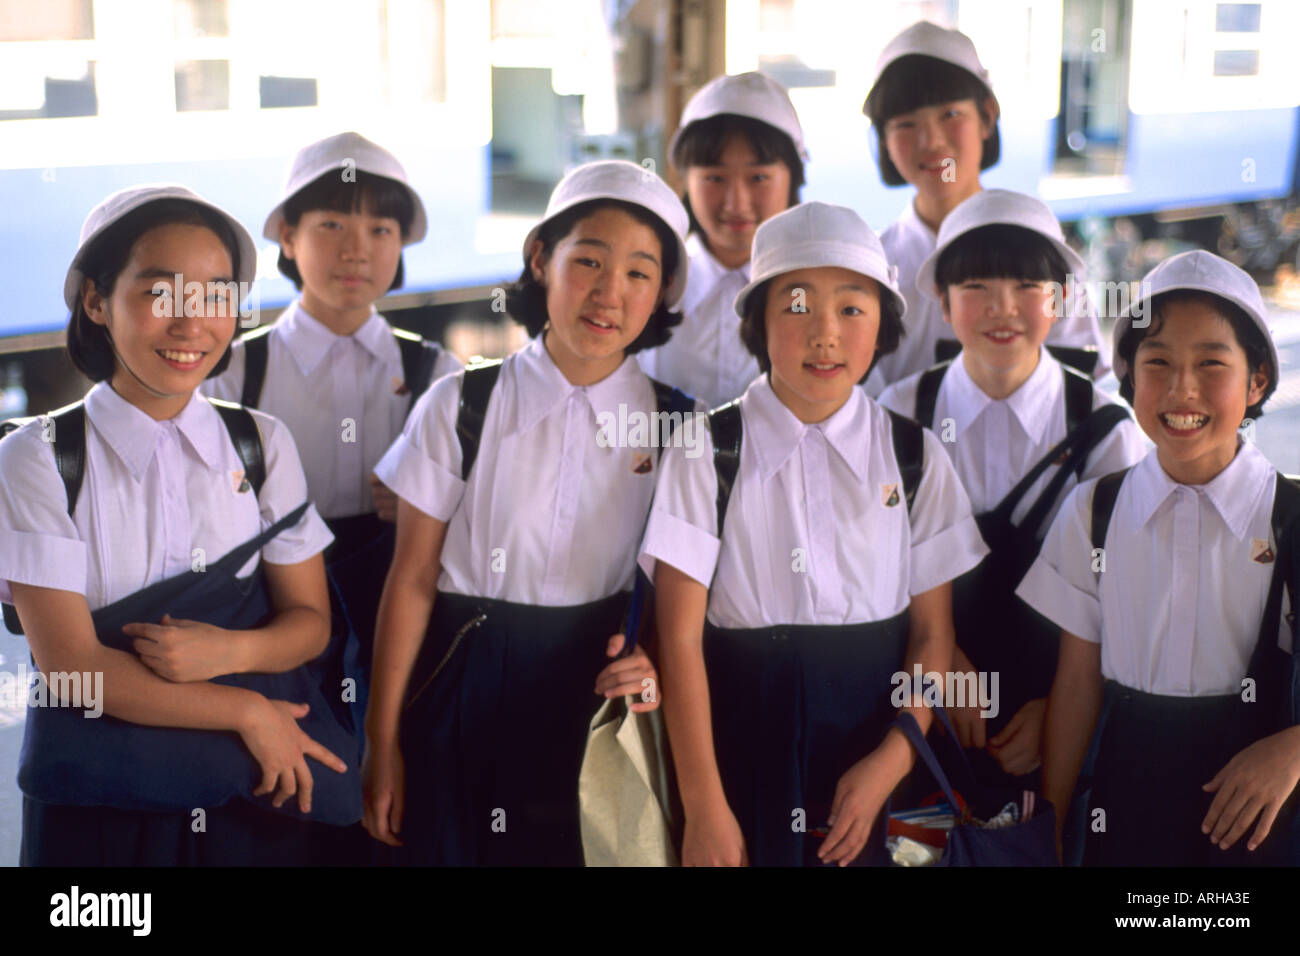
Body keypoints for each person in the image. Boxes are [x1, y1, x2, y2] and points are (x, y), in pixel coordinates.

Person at [0, 185, 355, 866]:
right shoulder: (39, 458)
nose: (192, 323)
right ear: (97, 302)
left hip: (249, 795)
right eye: (161, 294)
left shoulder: (261, 443)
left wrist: (232, 653)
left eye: (216, 295)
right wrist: (245, 710)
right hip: (101, 807)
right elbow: (71, 667)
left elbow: (310, 620)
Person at [362, 160, 701, 865]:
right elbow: (413, 578)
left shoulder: (678, 427)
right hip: (461, 686)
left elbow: (681, 601)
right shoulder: (461, 403)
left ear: (661, 292)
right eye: (589, 261)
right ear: (541, 259)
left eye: (640, 272)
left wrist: (651, 661)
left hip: (595, 701)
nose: (610, 293)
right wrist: (381, 738)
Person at [641, 201, 988, 866]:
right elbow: (680, 639)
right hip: (739, 749)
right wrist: (705, 804)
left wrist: (892, 758)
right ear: (757, 324)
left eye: (852, 308)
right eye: (797, 306)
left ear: (882, 324)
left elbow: (930, 634)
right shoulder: (706, 452)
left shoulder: (914, 457)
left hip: (884, 747)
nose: (825, 334)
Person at [1019, 250, 1300, 866]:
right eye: (1159, 363)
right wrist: (1055, 829)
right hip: (1126, 806)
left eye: (1211, 364)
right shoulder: (1095, 512)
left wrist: (1293, 749)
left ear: (1257, 380)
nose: (1182, 389)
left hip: (1259, 817)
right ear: (1128, 376)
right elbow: (1076, 684)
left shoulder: (1292, 517)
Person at [202, 131, 461, 754]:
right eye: (332, 224)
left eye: (380, 230)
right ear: (287, 237)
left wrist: (437, 510)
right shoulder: (234, 372)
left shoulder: (441, 376)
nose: (357, 250)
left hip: (400, 607)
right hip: (270, 616)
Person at [878, 189, 1146, 788]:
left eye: (1027, 287)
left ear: (1061, 300)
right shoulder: (897, 416)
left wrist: (1062, 713)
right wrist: (936, 666)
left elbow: (1129, 599)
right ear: (943, 304)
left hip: (1055, 717)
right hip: (914, 716)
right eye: (975, 288)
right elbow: (867, 569)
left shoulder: (1105, 432)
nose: (1003, 309)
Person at [860, 21, 1107, 395]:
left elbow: (1092, 389)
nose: (931, 141)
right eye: (906, 123)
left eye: (950, 115)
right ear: (884, 141)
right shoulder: (870, 265)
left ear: (988, 117)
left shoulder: (1040, 250)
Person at [637, 71, 806, 407]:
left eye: (759, 177)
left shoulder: (816, 292)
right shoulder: (647, 288)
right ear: (684, 181)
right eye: (715, 177)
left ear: (793, 177)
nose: (736, 203)